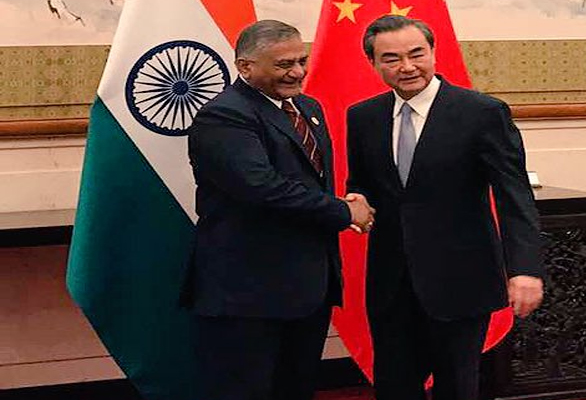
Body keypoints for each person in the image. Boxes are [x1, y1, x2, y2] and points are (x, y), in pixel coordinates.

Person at [345, 15, 544, 400]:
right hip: (391, 282)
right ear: (373, 63)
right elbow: (362, 183)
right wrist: (357, 199)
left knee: (456, 386)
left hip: (460, 279)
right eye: (391, 59)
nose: (407, 67)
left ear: (434, 53)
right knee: (394, 385)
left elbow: (514, 195)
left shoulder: (481, 113)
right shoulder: (363, 116)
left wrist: (525, 269)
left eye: (416, 54)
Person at [181, 20, 374, 400]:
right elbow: (262, 187)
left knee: (297, 387)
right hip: (249, 293)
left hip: (308, 287)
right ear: (245, 66)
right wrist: (342, 211)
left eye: (301, 60)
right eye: (284, 64)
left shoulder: (307, 107)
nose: (298, 72)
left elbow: (312, 181)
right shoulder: (224, 115)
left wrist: (345, 201)